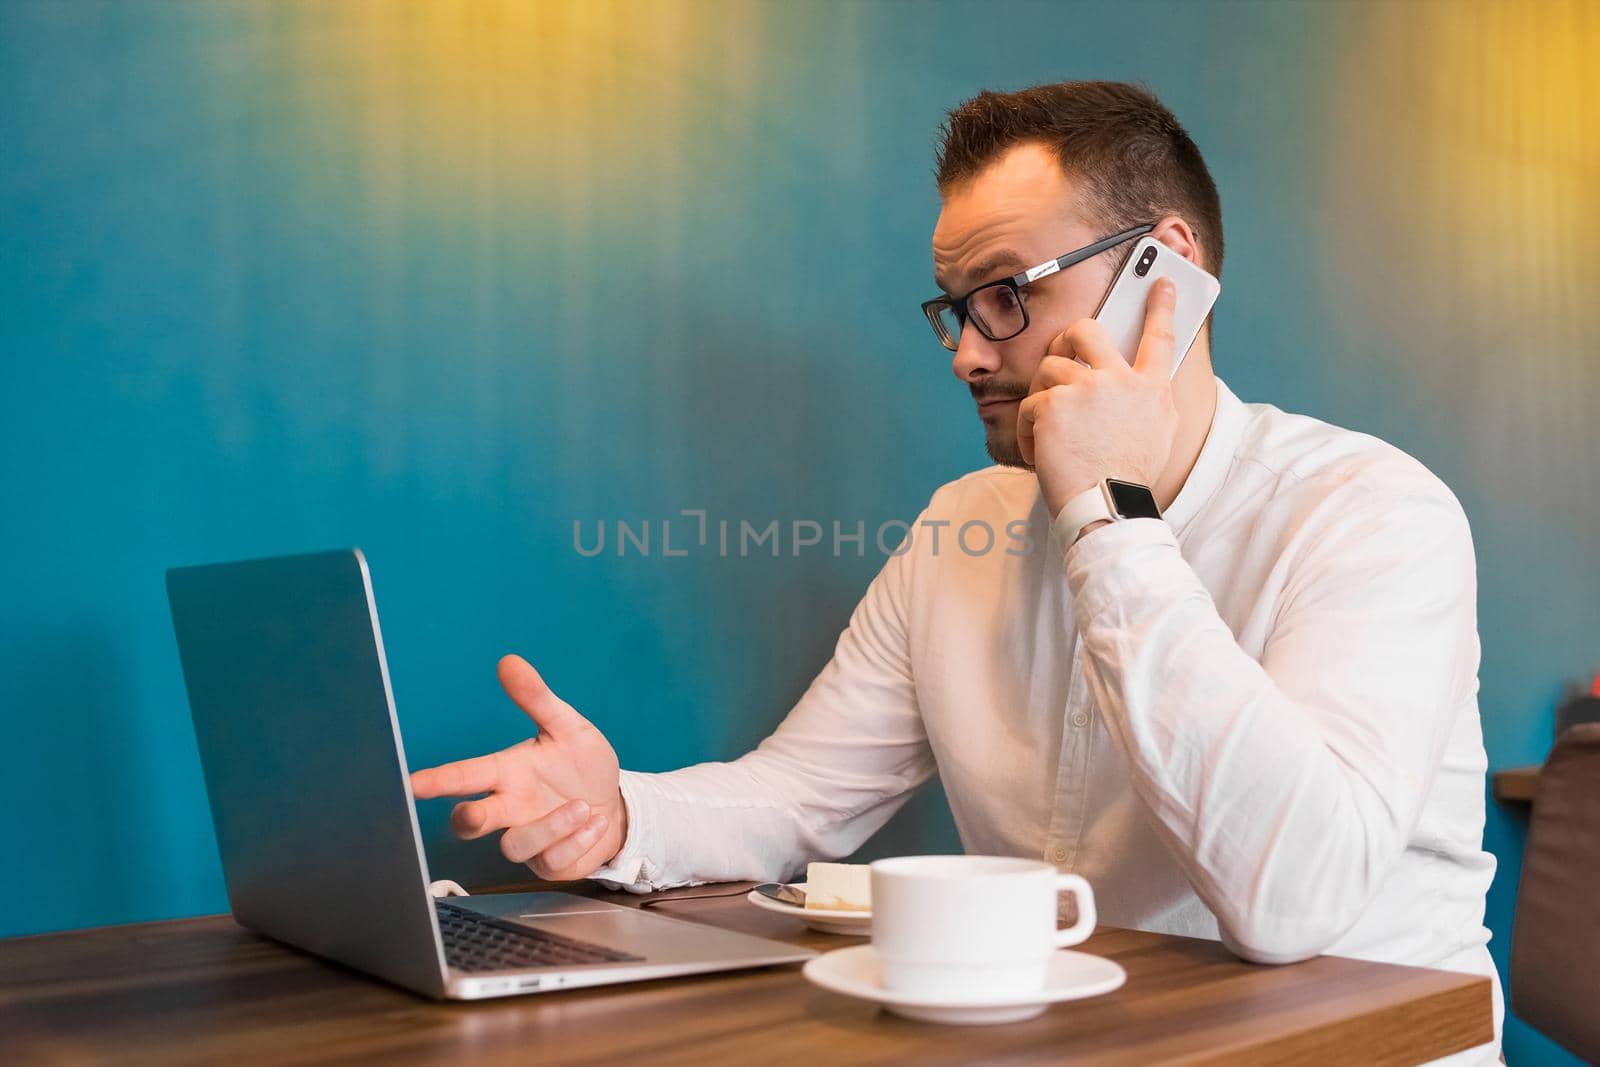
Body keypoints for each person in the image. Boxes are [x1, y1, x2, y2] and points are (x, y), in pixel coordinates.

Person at [411, 81, 1500, 1061]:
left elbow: (1291, 896)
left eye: (1006, 293)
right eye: (955, 307)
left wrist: (1107, 511)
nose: (969, 353)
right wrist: (618, 814)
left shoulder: (1372, 512)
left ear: (1164, 268)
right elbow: (800, 795)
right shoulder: (961, 527)